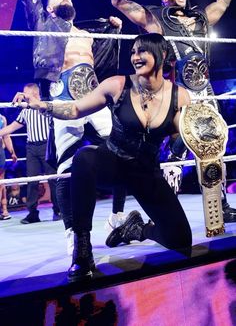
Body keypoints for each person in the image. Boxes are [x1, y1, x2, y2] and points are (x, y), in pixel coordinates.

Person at [14, 33, 193, 282]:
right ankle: (82, 250)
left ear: (162, 54)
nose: (136, 56)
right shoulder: (118, 84)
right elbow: (76, 108)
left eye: (143, 51)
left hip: (146, 172)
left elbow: (177, 135)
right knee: (84, 157)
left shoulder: (180, 96)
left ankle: (136, 229)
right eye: (133, 52)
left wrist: (198, 137)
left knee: (181, 240)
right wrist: (40, 105)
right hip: (114, 162)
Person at [108, 0, 236, 222]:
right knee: (176, 150)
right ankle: (162, 213)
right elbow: (120, 3)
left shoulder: (201, 19)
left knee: (213, 148)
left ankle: (220, 206)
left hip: (206, 90)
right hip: (179, 91)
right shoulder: (157, 20)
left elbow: (222, 2)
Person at [20, 0, 127, 253]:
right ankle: (72, 233)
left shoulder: (87, 34)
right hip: (63, 95)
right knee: (67, 168)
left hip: (92, 95)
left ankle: (116, 218)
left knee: (123, 151)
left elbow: (103, 62)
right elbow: (30, 1)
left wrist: (114, 30)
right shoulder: (44, 26)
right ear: (49, 7)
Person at [0, 83, 60, 223]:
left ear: (34, 94)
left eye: (25, 94)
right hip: (31, 148)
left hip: (46, 145)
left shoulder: (45, 106)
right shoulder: (26, 111)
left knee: (53, 179)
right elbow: (12, 127)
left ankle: (58, 210)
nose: (23, 97)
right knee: (31, 180)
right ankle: (33, 213)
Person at [0, 114, 17, 220]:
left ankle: (5, 210)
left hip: (0, 151)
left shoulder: (2, 118)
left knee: (1, 181)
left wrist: (12, 152)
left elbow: (6, 136)